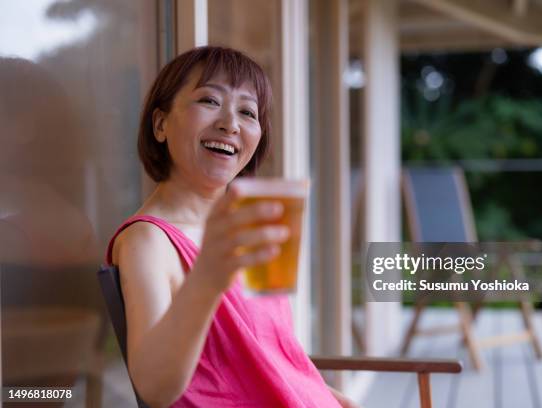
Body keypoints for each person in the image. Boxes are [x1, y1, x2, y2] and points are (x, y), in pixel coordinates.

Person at [106, 46, 359, 408]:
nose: (231, 123)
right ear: (160, 124)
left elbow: (271, 357)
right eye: (209, 100)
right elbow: (153, 389)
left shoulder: (247, 226)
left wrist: (337, 399)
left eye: (247, 111)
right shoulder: (147, 241)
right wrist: (208, 275)